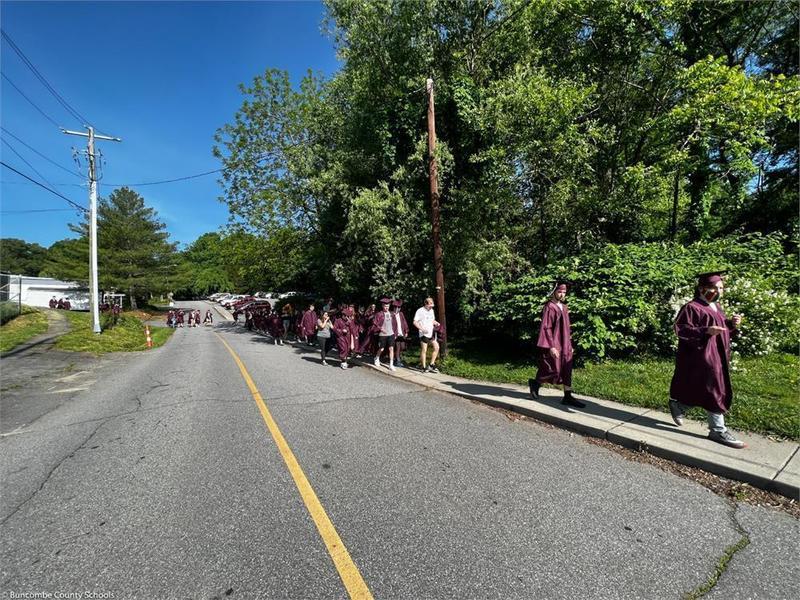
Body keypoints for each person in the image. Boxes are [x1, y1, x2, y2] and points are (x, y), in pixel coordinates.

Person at [669, 271, 745, 449]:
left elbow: (721, 329)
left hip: (717, 354)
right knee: (715, 389)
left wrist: (732, 325)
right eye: (714, 288)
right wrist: (705, 331)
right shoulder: (692, 307)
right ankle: (717, 430)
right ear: (702, 288)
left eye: (721, 288)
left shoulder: (715, 306)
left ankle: (680, 406)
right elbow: (680, 329)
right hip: (701, 355)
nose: (718, 292)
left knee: (703, 387)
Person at [528, 283, 585, 408]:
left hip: (565, 343)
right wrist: (551, 346)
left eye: (564, 292)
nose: (562, 294)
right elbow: (546, 327)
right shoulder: (549, 307)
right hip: (554, 342)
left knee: (567, 368)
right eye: (560, 292)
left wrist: (570, 344)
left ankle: (567, 396)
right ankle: (535, 383)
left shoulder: (564, 307)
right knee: (554, 368)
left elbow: (567, 328)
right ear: (554, 291)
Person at [413, 297, 440, 373]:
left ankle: (431, 365)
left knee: (437, 347)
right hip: (423, 334)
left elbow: (432, 320)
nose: (431, 307)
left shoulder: (432, 311)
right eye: (430, 305)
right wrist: (421, 329)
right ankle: (424, 367)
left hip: (431, 333)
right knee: (424, 350)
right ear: (425, 304)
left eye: (432, 306)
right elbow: (415, 322)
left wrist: (436, 323)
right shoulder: (420, 311)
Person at [371, 298, 397, 371]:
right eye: (385, 306)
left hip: (391, 334)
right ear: (382, 306)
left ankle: (391, 364)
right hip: (383, 334)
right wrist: (380, 328)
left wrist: (395, 333)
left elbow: (395, 324)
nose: (386, 308)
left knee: (391, 348)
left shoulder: (392, 314)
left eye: (388, 306)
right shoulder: (379, 314)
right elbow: (374, 322)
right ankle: (377, 358)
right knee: (381, 349)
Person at [391, 300, 410, 367]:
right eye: (395, 307)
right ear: (393, 307)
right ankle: (398, 360)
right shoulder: (391, 314)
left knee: (403, 347)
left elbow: (404, 323)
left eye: (398, 307)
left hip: (401, 333)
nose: (397, 309)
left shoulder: (401, 314)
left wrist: (406, 331)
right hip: (395, 333)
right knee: (398, 347)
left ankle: (396, 357)